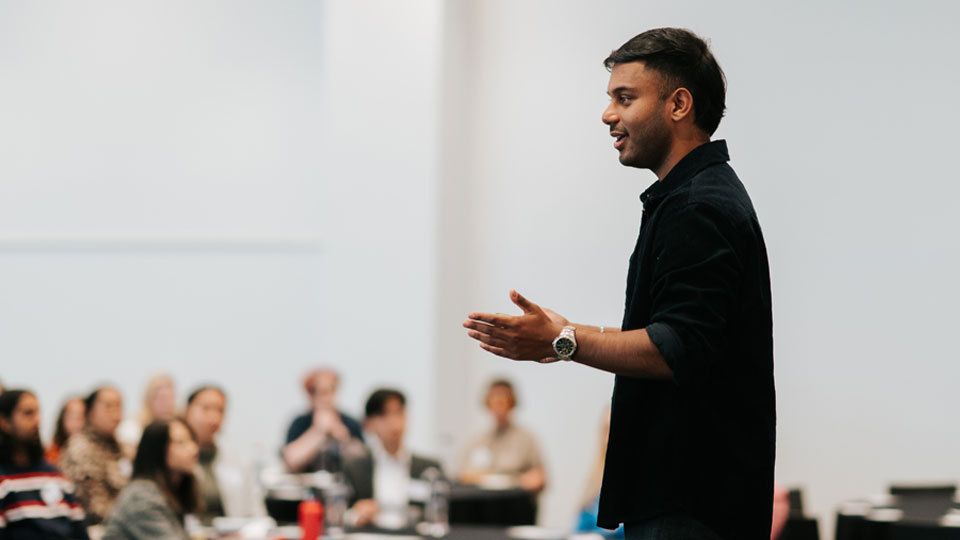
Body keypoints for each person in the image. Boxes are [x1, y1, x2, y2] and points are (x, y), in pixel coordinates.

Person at [463, 27, 775, 540]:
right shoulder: (689, 197)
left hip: (691, 505)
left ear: (678, 104)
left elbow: (678, 348)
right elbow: (677, 330)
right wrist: (571, 330)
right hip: (687, 499)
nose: (608, 114)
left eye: (624, 98)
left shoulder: (699, 206)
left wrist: (565, 342)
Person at [342, 388, 443, 529]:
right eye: (384, 415)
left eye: (399, 413)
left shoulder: (429, 468)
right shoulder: (355, 468)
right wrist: (356, 515)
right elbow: (340, 514)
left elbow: (443, 513)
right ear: (369, 423)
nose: (394, 422)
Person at [0, 389, 89, 539]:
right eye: (28, 413)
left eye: (38, 413)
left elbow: (80, 533)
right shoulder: (3, 481)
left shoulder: (55, 476)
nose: (37, 421)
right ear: (5, 422)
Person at [102, 419, 200, 540]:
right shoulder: (142, 496)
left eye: (192, 440)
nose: (194, 449)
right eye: (181, 443)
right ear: (158, 449)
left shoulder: (170, 490)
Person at [182, 385, 265, 524]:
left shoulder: (237, 462)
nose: (214, 418)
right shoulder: (175, 461)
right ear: (187, 410)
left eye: (220, 410)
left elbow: (256, 513)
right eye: (206, 408)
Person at [458, 379, 546, 493]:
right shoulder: (477, 439)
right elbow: (462, 475)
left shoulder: (526, 438)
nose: (499, 404)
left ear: (512, 402)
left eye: (504, 399)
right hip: (483, 500)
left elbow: (538, 478)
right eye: (495, 399)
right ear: (488, 403)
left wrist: (517, 481)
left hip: (513, 500)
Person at [60, 386, 129, 525]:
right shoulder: (80, 449)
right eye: (108, 406)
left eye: (119, 406)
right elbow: (95, 509)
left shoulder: (123, 447)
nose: (115, 413)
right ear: (90, 412)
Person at [282, 368, 365, 473]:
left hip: (344, 486)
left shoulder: (350, 422)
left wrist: (343, 437)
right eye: (315, 391)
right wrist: (318, 431)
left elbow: (363, 460)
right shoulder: (300, 423)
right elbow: (290, 461)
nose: (323, 398)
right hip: (307, 487)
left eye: (327, 391)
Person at [574, 407, 623, 540]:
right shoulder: (596, 480)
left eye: (619, 427)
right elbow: (580, 528)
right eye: (607, 429)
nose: (612, 436)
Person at [117, 375, 177, 458]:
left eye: (171, 398)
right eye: (162, 398)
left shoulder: (178, 429)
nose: (168, 404)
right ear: (149, 400)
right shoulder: (131, 428)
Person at [45, 397, 85, 466]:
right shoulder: (52, 453)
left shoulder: (93, 452)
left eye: (80, 417)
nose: (76, 423)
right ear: (62, 418)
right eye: (72, 416)